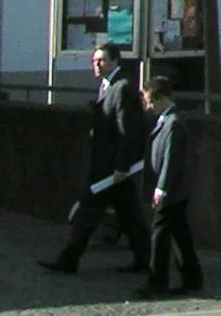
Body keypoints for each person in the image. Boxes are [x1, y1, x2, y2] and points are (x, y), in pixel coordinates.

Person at [40, 42, 149, 275]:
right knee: (129, 216)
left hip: (112, 168)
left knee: (93, 212)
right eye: (94, 61)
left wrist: (122, 165)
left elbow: (129, 131)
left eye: (101, 60)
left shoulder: (122, 89)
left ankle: (69, 259)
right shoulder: (108, 86)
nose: (96, 65)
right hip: (107, 167)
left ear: (115, 61)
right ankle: (145, 258)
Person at [138, 74, 203, 298]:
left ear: (161, 99)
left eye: (150, 101)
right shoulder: (168, 121)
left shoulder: (173, 123)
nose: (148, 106)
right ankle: (193, 277)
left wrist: (161, 188)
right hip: (175, 190)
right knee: (180, 234)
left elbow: (172, 158)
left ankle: (158, 282)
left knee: (160, 233)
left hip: (172, 190)